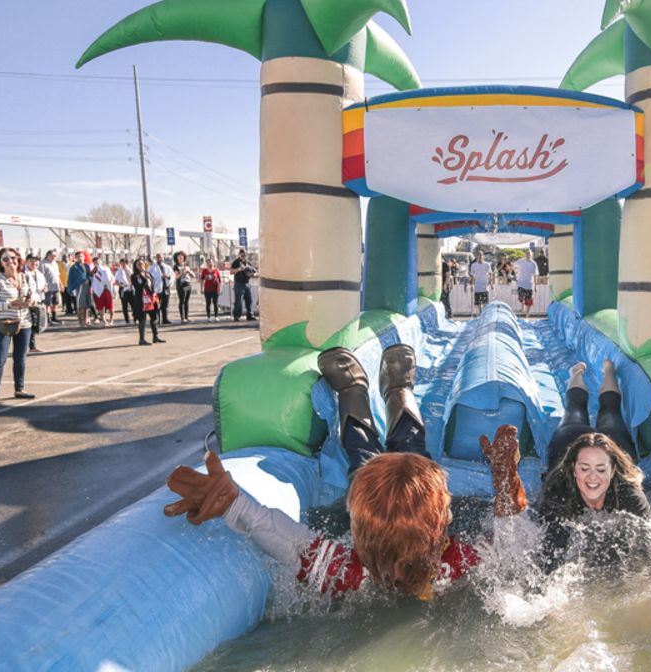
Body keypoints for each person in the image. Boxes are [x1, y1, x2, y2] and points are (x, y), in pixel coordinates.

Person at [163, 344, 525, 600]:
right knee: (401, 450)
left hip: (378, 501)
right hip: (399, 510)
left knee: (367, 457)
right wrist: (507, 489)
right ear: (442, 521)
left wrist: (235, 506)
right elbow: (510, 546)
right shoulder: (455, 563)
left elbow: (288, 540)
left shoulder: (351, 576)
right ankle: (383, 389)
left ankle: (368, 391)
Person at [538, 360, 651, 568]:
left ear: (613, 470)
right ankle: (577, 372)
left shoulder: (629, 494)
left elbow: (649, 553)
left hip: (613, 443)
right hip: (569, 439)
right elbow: (550, 558)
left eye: (601, 470)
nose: (592, 477)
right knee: (575, 408)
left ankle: (608, 372)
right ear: (573, 469)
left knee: (610, 412)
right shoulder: (559, 492)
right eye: (584, 469)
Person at [0, 248, 37, 406]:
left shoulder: (25, 277)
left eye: (12, 258)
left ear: (18, 259)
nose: (10, 261)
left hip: (24, 323)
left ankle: (19, 389)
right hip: (3, 325)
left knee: (21, 359)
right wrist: (11, 304)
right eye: (5, 259)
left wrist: (31, 301)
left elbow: (34, 295)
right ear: (0, 263)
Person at [130, 258, 164, 346]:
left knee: (154, 317)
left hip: (151, 298)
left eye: (142, 264)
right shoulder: (134, 276)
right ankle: (142, 339)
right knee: (142, 319)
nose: (141, 266)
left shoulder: (148, 273)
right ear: (136, 266)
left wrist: (155, 297)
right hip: (141, 300)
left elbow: (152, 285)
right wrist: (145, 279)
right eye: (139, 264)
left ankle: (155, 336)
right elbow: (138, 287)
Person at [23, 255, 48, 353]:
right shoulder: (23, 273)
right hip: (27, 302)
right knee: (29, 324)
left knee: (34, 324)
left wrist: (45, 288)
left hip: (37, 301)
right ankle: (29, 346)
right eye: (31, 261)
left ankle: (31, 346)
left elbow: (44, 284)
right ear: (27, 262)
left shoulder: (39, 273)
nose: (34, 263)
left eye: (36, 262)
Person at [67, 252, 91, 327]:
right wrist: (82, 280)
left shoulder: (87, 266)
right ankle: (81, 321)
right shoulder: (74, 267)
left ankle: (86, 319)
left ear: (84, 257)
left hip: (87, 287)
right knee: (80, 305)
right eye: (77, 257)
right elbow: (72, 278)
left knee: (86, 305)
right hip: (79, 287)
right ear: (76, 258)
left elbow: (89, 275)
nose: (79, 258)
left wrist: (88, 279)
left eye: (81, 256)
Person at [230, 249, 255, 321]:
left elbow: (254, 272)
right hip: (239, 283)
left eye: (244, 255)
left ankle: (250, 315)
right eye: (241, 255)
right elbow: (231, 271)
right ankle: (236, 316)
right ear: (239, 255)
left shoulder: (248, 263)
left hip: (247, 283)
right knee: (239, 301)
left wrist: (252, 274)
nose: (243, 257)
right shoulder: (236, 262)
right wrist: (239, 269)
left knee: (249, 300)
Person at [150, 253, 175, 325]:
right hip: (156, 289)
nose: (159, 259)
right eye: (158, 257)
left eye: (160, 257)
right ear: (156, 258)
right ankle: (157, 320)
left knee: (165, 304)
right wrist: (160, 277)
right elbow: (150, 277)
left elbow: (172, 276)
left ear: (163, 258)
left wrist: (168, 277)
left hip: (166, 288)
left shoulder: (167, 267)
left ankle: (165, 319)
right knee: (156, 305)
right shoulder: (152, 268)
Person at [514, 249, 539, 317]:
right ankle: (522, 308)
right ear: (525, 254)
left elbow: (535, 275)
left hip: (529, 284)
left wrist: (535, 286)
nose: (528, 255)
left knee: (529, 301)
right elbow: (513, 265)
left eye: (529, 254)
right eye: (527, 253)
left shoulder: (534, 264)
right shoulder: (521, 261)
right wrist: (515, 272)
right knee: (521, 297)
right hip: (521, 283)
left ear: (531, 255)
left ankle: (527, 314)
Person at [41, 250, 63, 325]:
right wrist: (43, 286)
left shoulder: (55, 263)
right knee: (47, 303)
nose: (54, 257)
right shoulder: (43, 264)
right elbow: (41, 276)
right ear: (48, 255)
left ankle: (54, 317)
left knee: (56, 302)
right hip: (48, 288)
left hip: (56, 287)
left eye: (55, 256)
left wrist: (61, 283)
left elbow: (58, 275)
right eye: (53, 256)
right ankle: (48, 319)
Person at [173, 251, 194, 324]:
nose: (181, 258)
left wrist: (189, 271)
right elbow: (177, 276)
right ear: (177, 258)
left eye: (182, 256)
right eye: (179, 256)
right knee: (182, 300)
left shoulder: (187, 266)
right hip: (181, 284)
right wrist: (182, 272)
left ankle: (187, 317)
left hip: (187, 284)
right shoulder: (176, 266)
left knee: (186, 301)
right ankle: (182, 318)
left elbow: (193, 275)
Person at [469, 250, 492, 316]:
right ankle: (480, 313)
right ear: (477, 257)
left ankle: (485, 314)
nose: (480, 257)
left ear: (483, 257)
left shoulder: (487, 264)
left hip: (485, 285)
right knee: (478, 302)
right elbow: (472, 276)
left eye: (481, 256)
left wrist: (491, 283)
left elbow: (490, 274)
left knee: (485, 302)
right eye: (479, 256)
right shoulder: (473, 265)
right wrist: (472, 285)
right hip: (477, 286)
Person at [114, 258, 133, 325]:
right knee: (124, 305)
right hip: (123, 289)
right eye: (122, 263)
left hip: (131, 289)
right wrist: (121, 285)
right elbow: (115, 282)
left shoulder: (130, 270)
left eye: (124, 263)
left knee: (133, 304)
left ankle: (135, 318)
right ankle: (127, 320)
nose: (123, 265)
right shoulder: (118, 272)